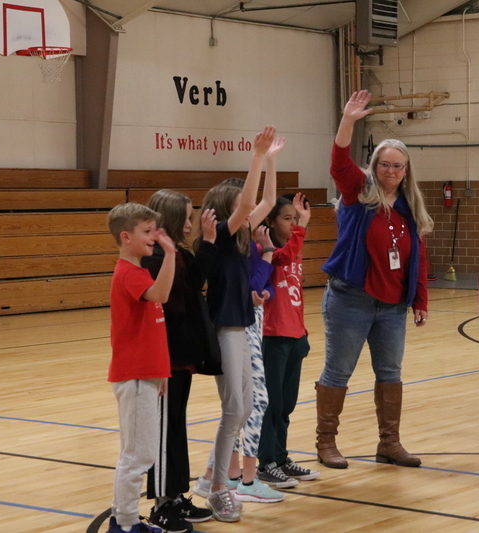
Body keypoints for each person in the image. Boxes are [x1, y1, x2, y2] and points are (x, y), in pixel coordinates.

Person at [316, 90, 434, 469]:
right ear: (375, 165)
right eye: (385, 164)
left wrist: (419, 300)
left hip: (392, 305)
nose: (391, 171)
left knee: (390, 373)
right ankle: (326, 442)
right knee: (338, 370)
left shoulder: (409, 207)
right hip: (351, 299)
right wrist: (348, 120)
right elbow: (338, 163)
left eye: (398, 166)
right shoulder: (358, 192)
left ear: (406, 170)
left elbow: (418, 258)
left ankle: (390, 443)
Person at [189, 126, 282, 523]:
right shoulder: (222, 238)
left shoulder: (241, 238)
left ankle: (211, 478)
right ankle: (217, 486)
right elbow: (248, 203)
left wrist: (272, 159)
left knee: (242, 409)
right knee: (235, 409)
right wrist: (256, 157)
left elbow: (268, 200)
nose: (250, 213)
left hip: (242, 326)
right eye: (241, 210)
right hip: (224, 327)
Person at [141, 190, 219, 532]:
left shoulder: (179, 254)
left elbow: (195, 283)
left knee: (176, 427)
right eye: (186, 218)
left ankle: (174, 495)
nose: (190, 224)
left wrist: (209, 243)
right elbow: (171, 303)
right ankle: (160, 503)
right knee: (163, 432)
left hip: (182, 356)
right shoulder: (156, 258)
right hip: (165, 359)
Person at [105, 202, 176, 533]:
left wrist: (160, 371)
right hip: (134, 376)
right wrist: (171, 254)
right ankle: (127, 524)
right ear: (125, 236)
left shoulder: (139, 271)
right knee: (138, 455)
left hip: (146, 374)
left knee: (136, 453)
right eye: (146, 232)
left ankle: (125, 518)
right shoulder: (129, 273)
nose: (153, 237)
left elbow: (152, 326)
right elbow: (162, 293)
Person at [257, 194, 320, 484]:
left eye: (295, 218)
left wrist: (303, 332)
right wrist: (302, 228)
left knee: (286, 404)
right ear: (269, 221)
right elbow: (283, 257)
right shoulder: (264, 249)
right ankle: (265, 462)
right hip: (273, 336)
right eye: (287, 218)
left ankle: (281, 458)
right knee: (272, 403)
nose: (293, 224)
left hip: (295, 335)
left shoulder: (295, 246)